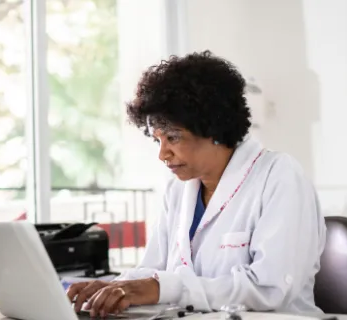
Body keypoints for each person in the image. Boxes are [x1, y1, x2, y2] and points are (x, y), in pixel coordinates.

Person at [66, 51, 326, 318]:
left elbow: (269, 289)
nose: (162, 154)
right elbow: (154, 269)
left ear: (213, 128)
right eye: (158, 140)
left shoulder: (279, 176)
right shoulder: (179, 189)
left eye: (174, 138)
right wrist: (111, 286)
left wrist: (163, 288)